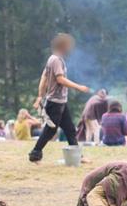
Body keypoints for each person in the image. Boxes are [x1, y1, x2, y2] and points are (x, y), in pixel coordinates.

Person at [29, 33, 91, 163]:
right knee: (50, 130)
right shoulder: (56, 60)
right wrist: (78, 87)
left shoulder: (52, 59)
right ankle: (35, 154)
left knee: (69, 129)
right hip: (55, 102)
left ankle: (77, 156)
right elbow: (60, 79)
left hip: (60, 102)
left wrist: (40, 96)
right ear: (63, 46)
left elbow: (44, 78)